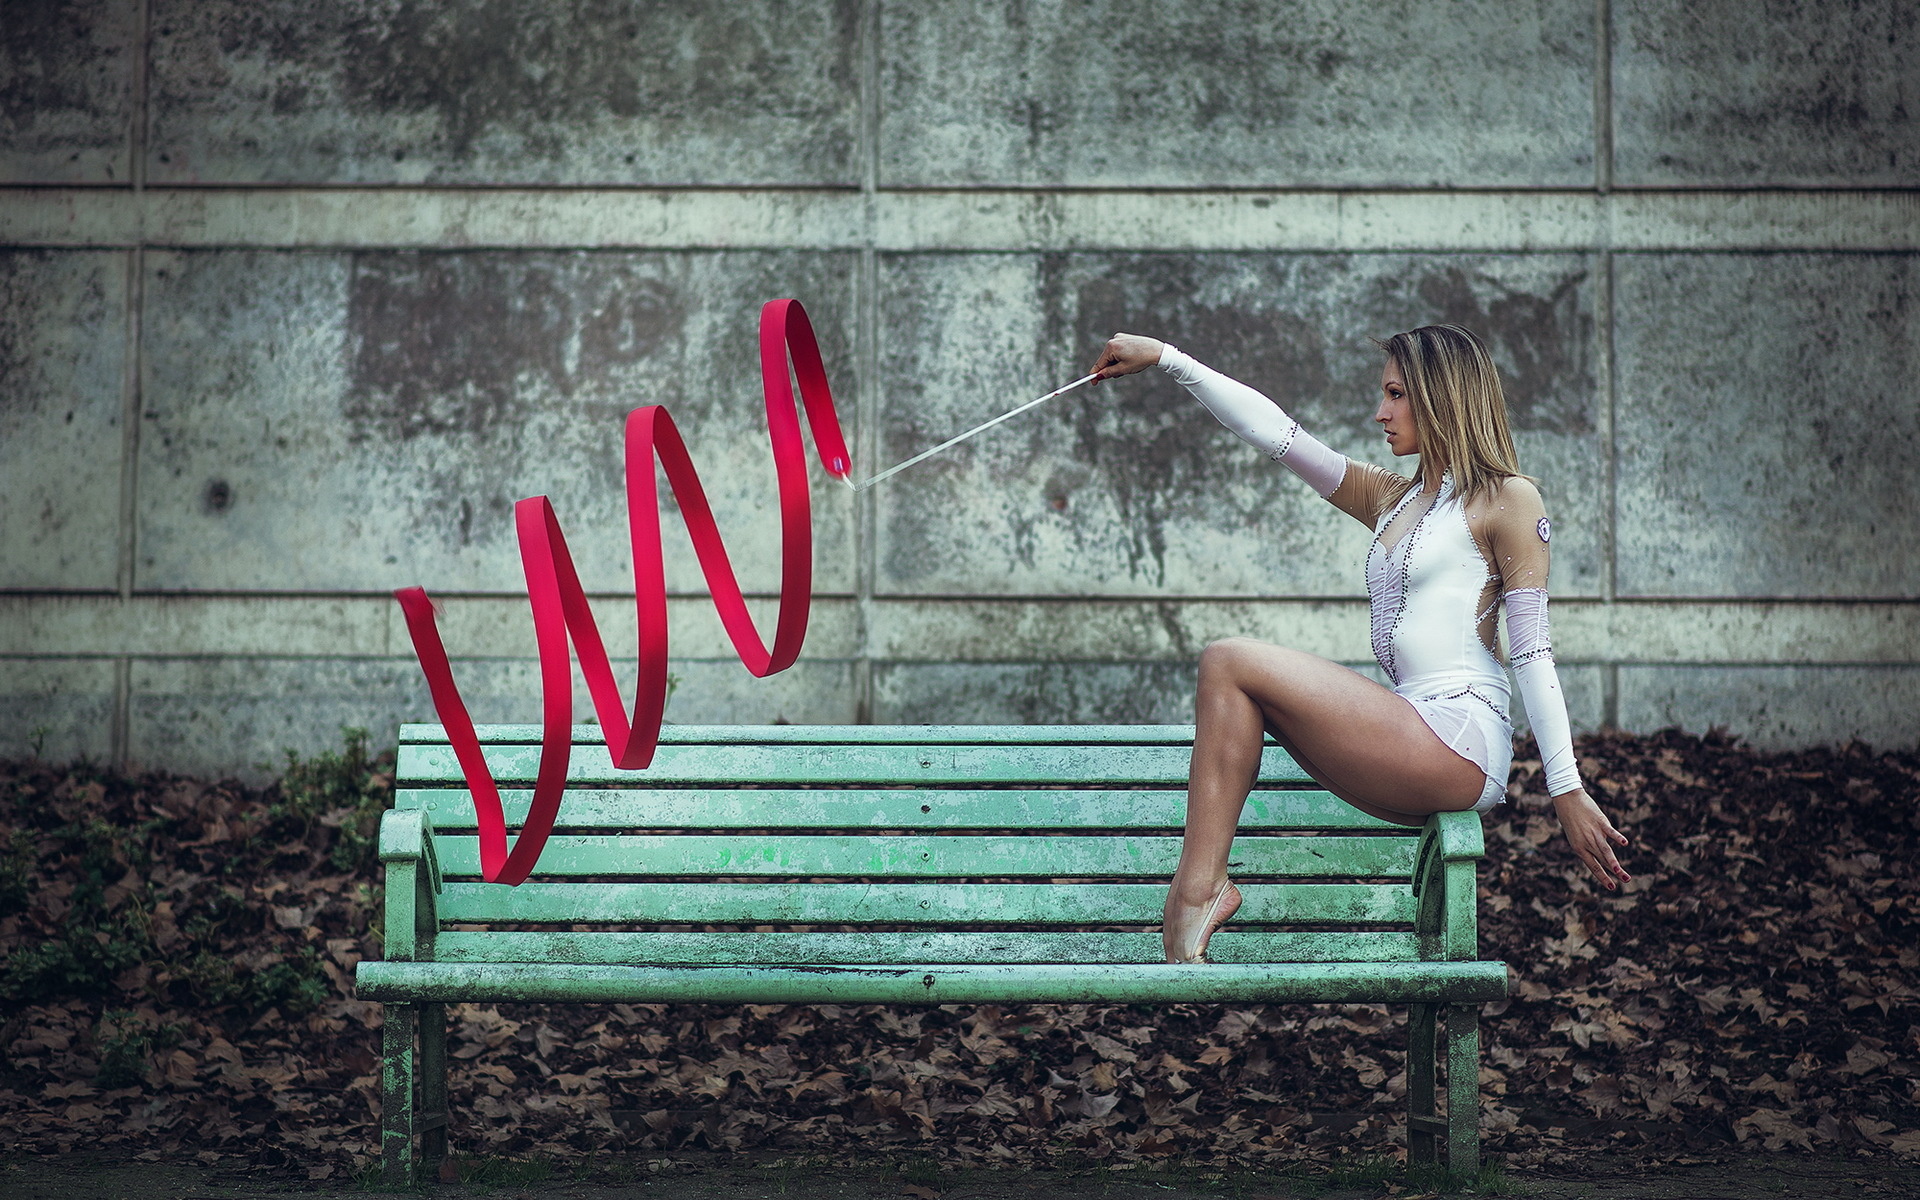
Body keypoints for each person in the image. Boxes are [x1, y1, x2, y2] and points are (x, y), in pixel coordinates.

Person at [1087, 326, 1632, 964]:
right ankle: (1196, 906)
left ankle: (1192, 895)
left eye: (1397, 394)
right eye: (1384, 394)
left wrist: (1564, 786)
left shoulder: (1506, 499)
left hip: (1459, 736)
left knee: (1229, 661)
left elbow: (1532, 651)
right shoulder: (1392, 500)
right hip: (1414, 729)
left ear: (1442, 397)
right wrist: (1170, 359)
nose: (1381, 412)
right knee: (1233, 685)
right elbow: (1277, 434)